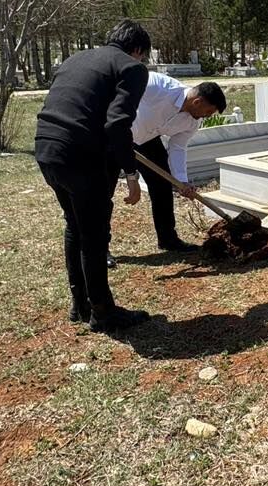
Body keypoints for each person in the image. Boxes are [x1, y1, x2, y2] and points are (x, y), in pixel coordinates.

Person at [35, 19, 151, 332]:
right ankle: (103, 312)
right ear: (138, 50)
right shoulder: (132, 68)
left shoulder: (76, 58)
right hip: (81, 158)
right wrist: (130, 172)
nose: (141, 62)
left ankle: (81, 305)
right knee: (95, 236)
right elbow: (117, 125)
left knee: (76, 225)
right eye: (143, 56)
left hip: (47, 150)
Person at [115, 75, 227, 261]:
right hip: (117, 134)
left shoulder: (192, 122)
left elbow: (177, 147)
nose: (207, 116)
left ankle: (168, 238)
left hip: (147, 139)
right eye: (208, 111)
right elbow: (118, 89)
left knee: (162, 185)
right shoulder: (157, 87)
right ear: (197, 101)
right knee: (103, 190)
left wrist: (181, 181)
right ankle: (100, 249)